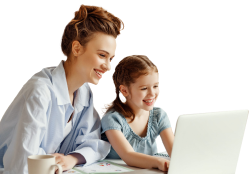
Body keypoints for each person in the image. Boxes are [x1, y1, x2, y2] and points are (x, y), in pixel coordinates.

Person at [0, 4, 123, 174]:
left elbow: (94, 143)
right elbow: (23, 164)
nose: (108, 67)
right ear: (77, 48)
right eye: (102, 55)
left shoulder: (84, 91)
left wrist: (71, 159)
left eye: (110, 58)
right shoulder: (40, 91)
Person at [100, 54, 174, 172]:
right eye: (144, 88)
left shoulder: (158, 115)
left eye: (155, 86)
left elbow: (175, 151)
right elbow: (128, 155)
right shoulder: (113, 119)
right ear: (124, 90)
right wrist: (159, 162)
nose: (152, 93)